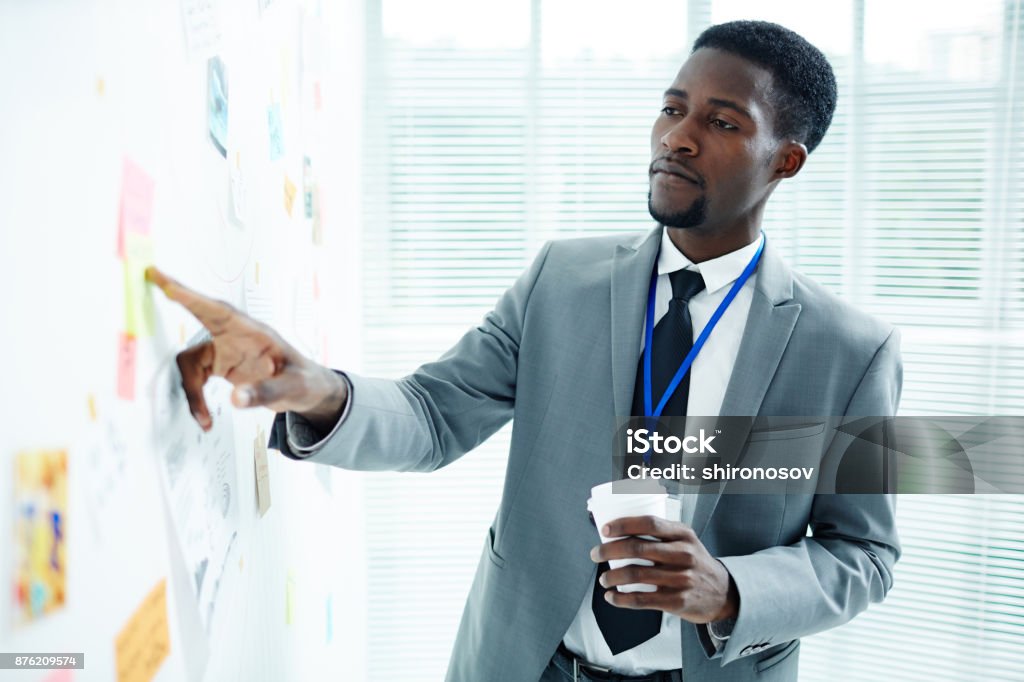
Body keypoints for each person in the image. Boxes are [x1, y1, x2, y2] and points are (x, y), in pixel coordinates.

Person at [148, 20, 902, 682]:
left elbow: (863, 556)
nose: (677, 135)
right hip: (524, 663)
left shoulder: (850, 351)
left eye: (723, 122)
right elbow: (433, 413)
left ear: (786, 161)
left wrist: (731, 590)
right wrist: (316, 388)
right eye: (672, 108)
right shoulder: (562, 280)